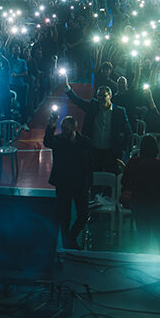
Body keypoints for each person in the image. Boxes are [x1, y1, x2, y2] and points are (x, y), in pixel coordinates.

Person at [63, 73, 132, 172]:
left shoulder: (119, 112)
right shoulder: (93, 106)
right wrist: (66, 87)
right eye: (99, 96)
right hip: (93, 150)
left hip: (111, 152)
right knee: (94, 178)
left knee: (109, 178)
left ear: (110, 96)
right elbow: (78, 101)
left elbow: (128, 133)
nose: (101, 98)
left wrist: (125, 154)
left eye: (104, 96)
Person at [44, 114, 93, 249]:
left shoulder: (85, 142)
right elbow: (47, 142)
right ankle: (68, 244)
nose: (63, 130)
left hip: (79, 183)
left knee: (83, 214)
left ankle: (70, 239)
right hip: (63, 183)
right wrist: (51, 127)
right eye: (62, 128)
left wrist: (89, 183)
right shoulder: (59, 140)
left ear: (74, 128)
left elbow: (89, 165)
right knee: (64, 217)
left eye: (66, 128)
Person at [120, 135, 160, 253]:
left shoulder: (133, 162)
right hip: (158, 205)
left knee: (143, 237)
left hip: (139, 204)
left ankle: (142, 263)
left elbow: (124, 182)